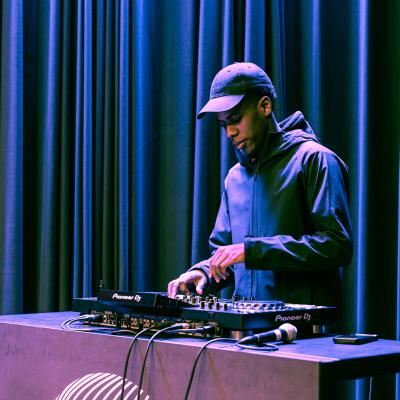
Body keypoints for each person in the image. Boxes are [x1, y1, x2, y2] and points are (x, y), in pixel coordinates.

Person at [168, 62, 353, 306]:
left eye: (235, 119)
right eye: (224, 125)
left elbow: (336, 246)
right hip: (246, 326)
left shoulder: (315, 159)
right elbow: (228, 256)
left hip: (303, 326)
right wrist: (204, 273)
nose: (230, 132)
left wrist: (252, 251)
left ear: (265, 106)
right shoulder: (234, 178)